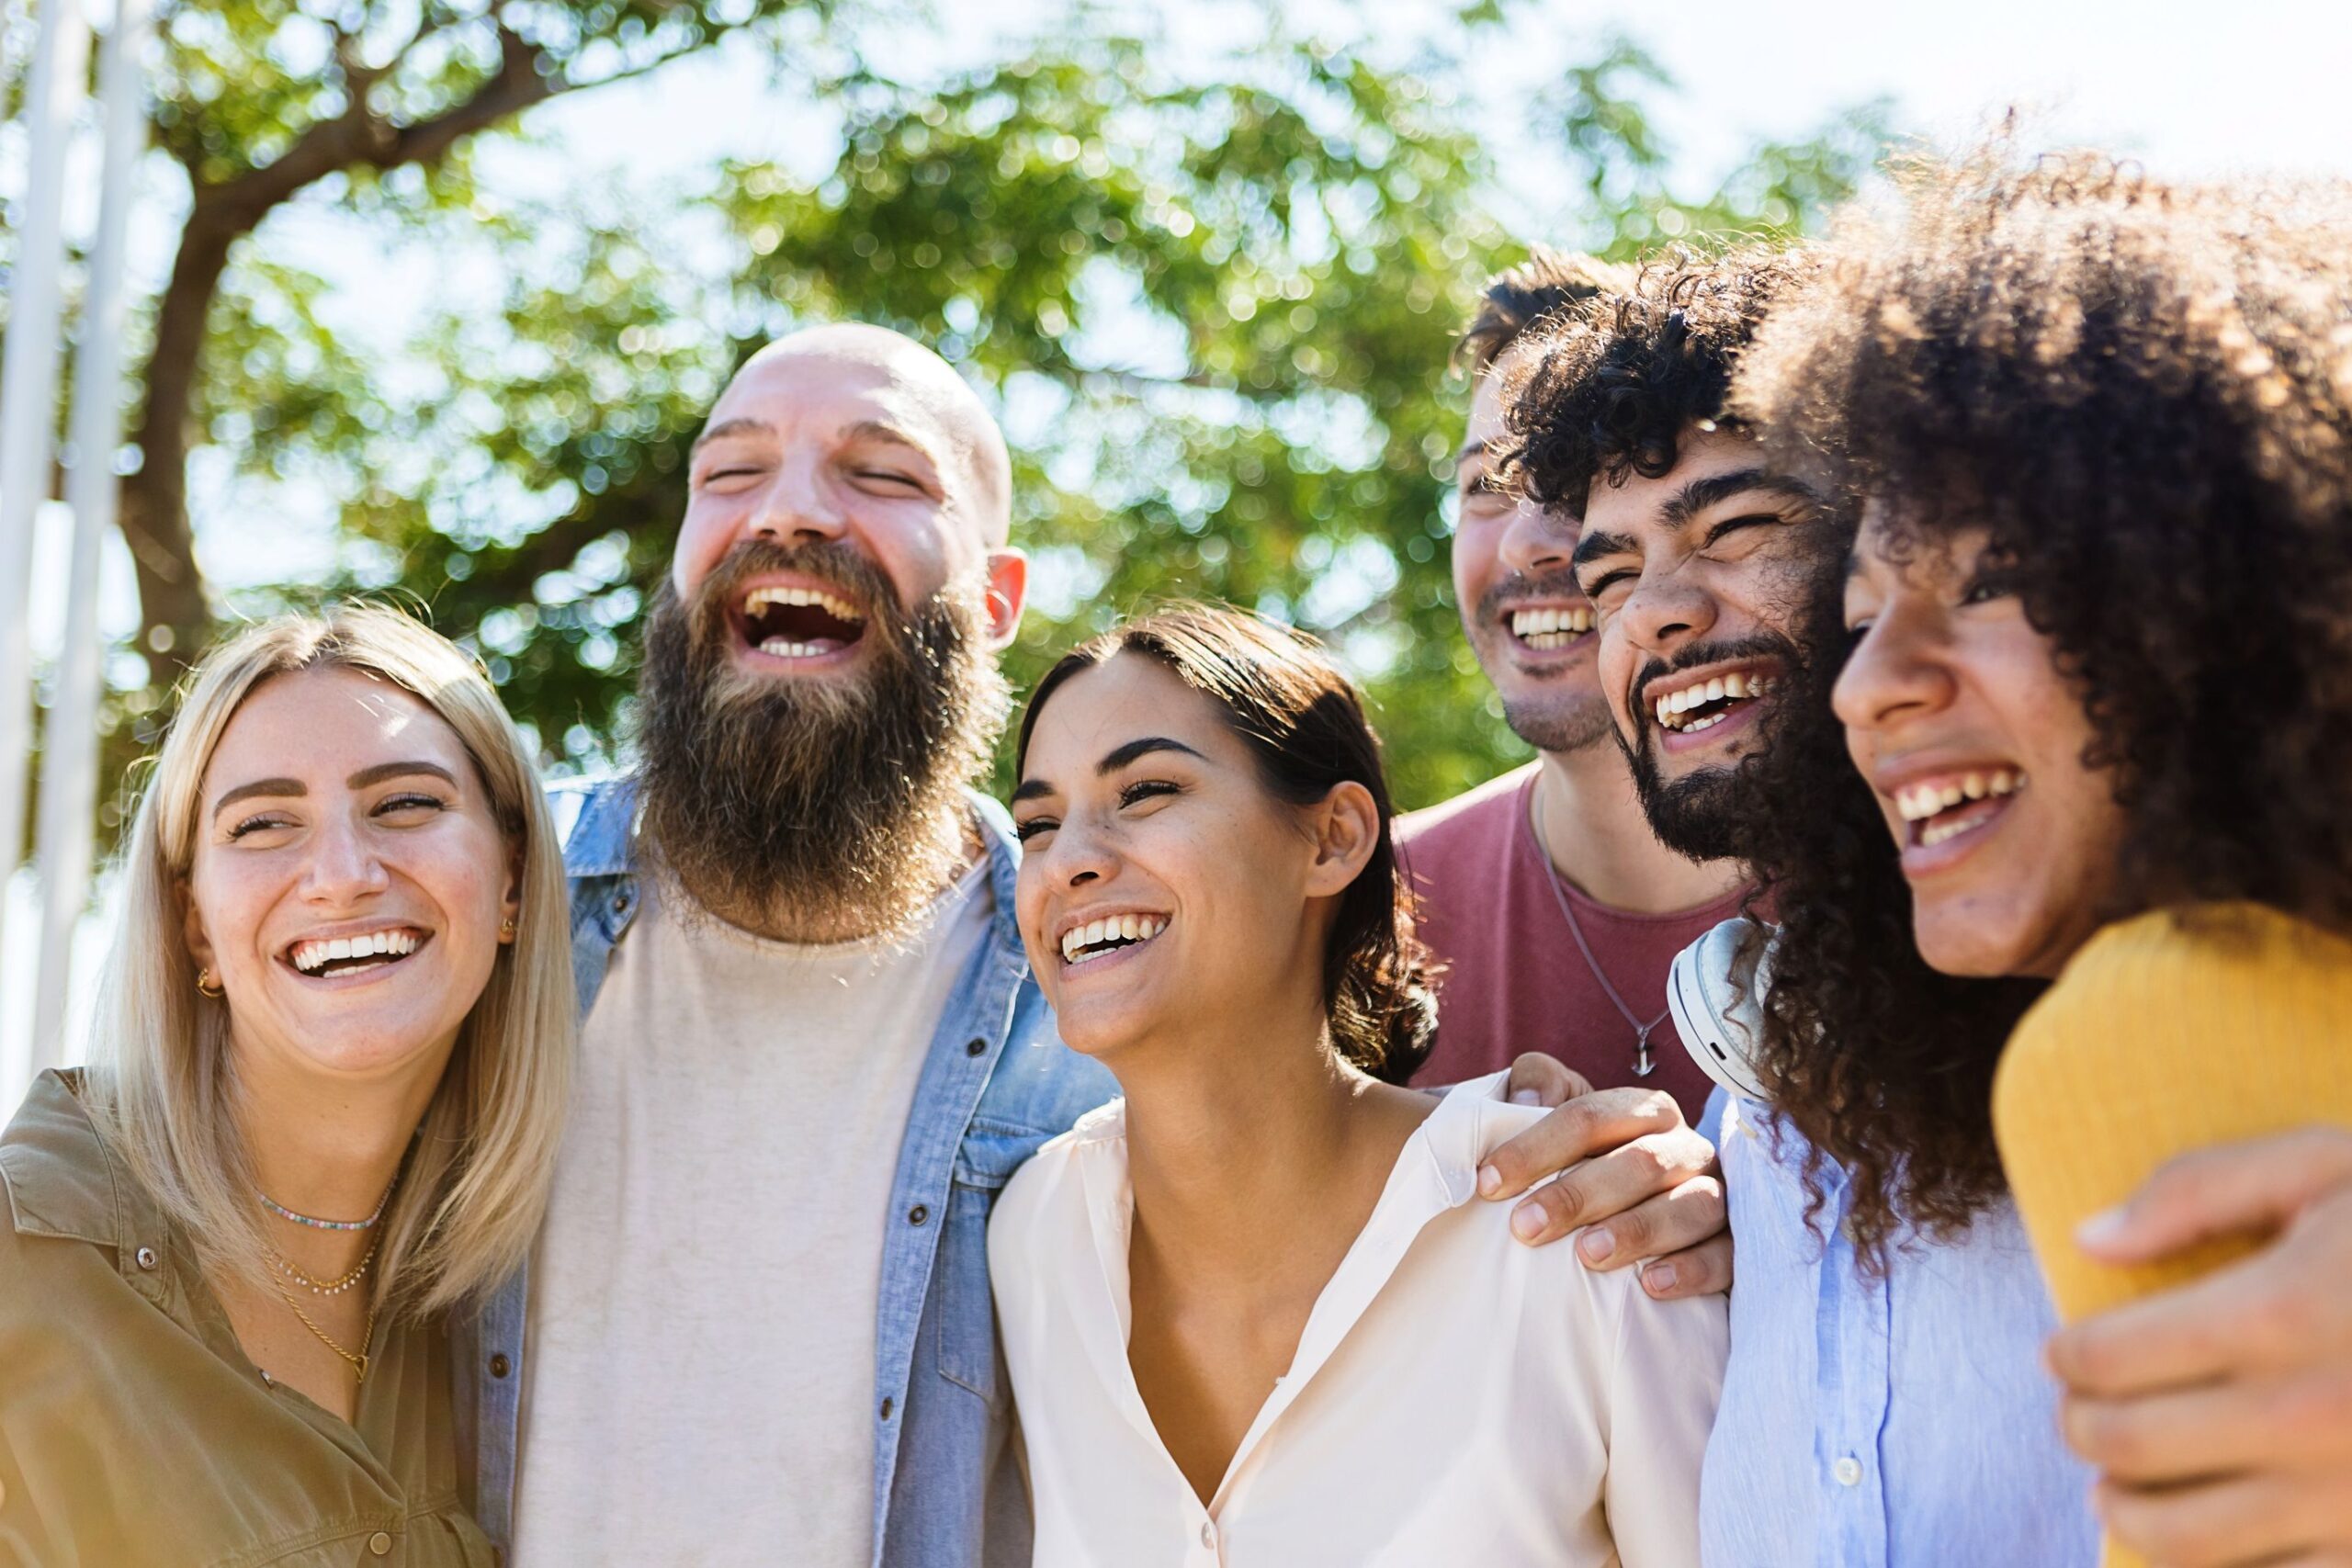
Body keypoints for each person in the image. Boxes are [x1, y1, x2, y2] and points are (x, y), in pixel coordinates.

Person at [473, 321, 1736, 1567]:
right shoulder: (487, 921)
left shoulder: (1541, 1219)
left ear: (994, 597)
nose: (790, 511)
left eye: (884, 471)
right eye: (731, 469)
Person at [1730, 151, 2352, 1567]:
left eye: (1991, 579)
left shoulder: (2155, 1015)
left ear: (2220, 593)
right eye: (1862, 607)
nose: (1864, 684)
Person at [1508, 246, 2104, 1565]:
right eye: (1607, 580)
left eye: (1735, 530)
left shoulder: (2159, 993)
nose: (1655, 614)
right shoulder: (1753, 1111)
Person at [993, 603, 1724, 1566]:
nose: (1071, 861)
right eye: (1038, 824)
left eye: (1147, 790)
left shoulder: (1583, 1235)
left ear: (1332, 839)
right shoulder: (1033, 1241)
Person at [0, 604, 573, 1562]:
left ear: (511, 883)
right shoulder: (25, 1272)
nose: (342, 875)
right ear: (195, 928)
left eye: (405, 805)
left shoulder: (506, 1297)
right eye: (264, 824)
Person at [1401, 251, 1748, 1139]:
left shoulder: (1906, 879)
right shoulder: (1371, 908)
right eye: (1485, 486)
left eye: (1567, 481)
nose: (1524, 543)